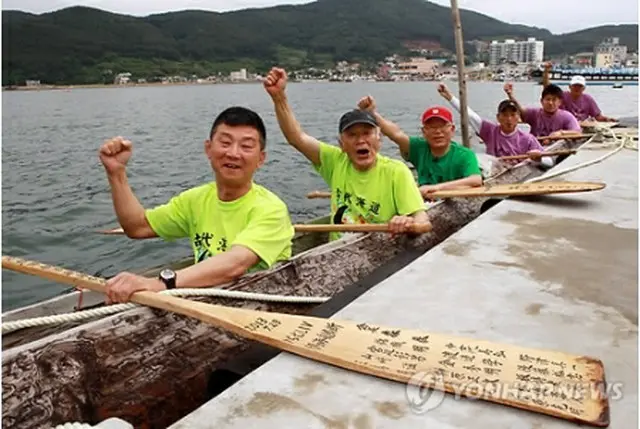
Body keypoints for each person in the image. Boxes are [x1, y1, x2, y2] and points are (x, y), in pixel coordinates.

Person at [99, 107, 295, 303]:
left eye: (246, 146)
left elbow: (236, 264)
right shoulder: (195, 200)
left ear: (261, 159)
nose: (233, 153)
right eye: (225, 143)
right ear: (208, 149)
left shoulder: (271, 209)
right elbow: (137, 227)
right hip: (207, 302)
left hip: (261, 304)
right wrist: (117, 173)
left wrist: (159, 284)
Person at [262, 67, 428, 241]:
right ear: (341, 144)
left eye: (366, 133)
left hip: (380, 254)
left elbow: (424, 222)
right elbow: (296, 138)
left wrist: (407, 223)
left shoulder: (396, 172)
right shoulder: (336, 161)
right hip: (337, 254)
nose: (360, 140)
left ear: (379, 139)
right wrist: (279, 98)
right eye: (352, 135)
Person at [357, 95, 483, 200]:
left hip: (453, 198)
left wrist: (436, 187)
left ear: (452, 130)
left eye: (442, 127)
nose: (438, 132)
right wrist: (372, 113)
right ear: (424, 131)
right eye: (432, 128)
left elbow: (476, 180)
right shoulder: (419, 148)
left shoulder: (464, 154)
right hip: (423, 200)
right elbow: (395, 134)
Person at [436, 83, 553, 168]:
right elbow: (469, 114)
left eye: (513, 115)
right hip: (493, 172)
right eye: (505, 115)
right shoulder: (490, 131)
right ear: (498, 117)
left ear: (518, 118)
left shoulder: (527, 139)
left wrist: (539, 158)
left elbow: (550, 161)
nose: (509, 119)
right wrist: (450, 97)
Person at [542, 63, 616, 123]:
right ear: (570, 87)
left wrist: (608, 119)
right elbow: (547, 88)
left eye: (579, 86)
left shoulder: (588, 99)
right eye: (575, 86)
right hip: (564, 124)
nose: (577, 88)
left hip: (582, 126)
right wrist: (546, 71)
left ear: (583, 88)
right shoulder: (563, 96)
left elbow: (597, 116)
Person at [503, 82, 582, 138]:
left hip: (554, 149)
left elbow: (578, 133)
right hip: (534, 149)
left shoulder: (566, 116)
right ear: (542, 101)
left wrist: (561, 133)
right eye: (548, 99)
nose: (550, 103)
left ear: (560, 102)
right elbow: (520, 111)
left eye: (554, 100)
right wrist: (510, 95)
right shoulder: (535, 113)